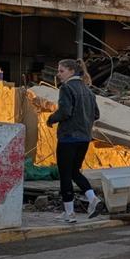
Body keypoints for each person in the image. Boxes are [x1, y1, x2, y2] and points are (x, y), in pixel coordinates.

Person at [46, 59, 103, 223]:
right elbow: (96, 114)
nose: (58, 74)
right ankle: (93, 199)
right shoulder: (88, 90)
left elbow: (65, 111)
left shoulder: (66, 88)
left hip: (68, 137)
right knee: (74, 172)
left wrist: (51, 119)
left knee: (65, 174)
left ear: (71, 71)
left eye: (61, 71)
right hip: (84, 138)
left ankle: (69, 213)